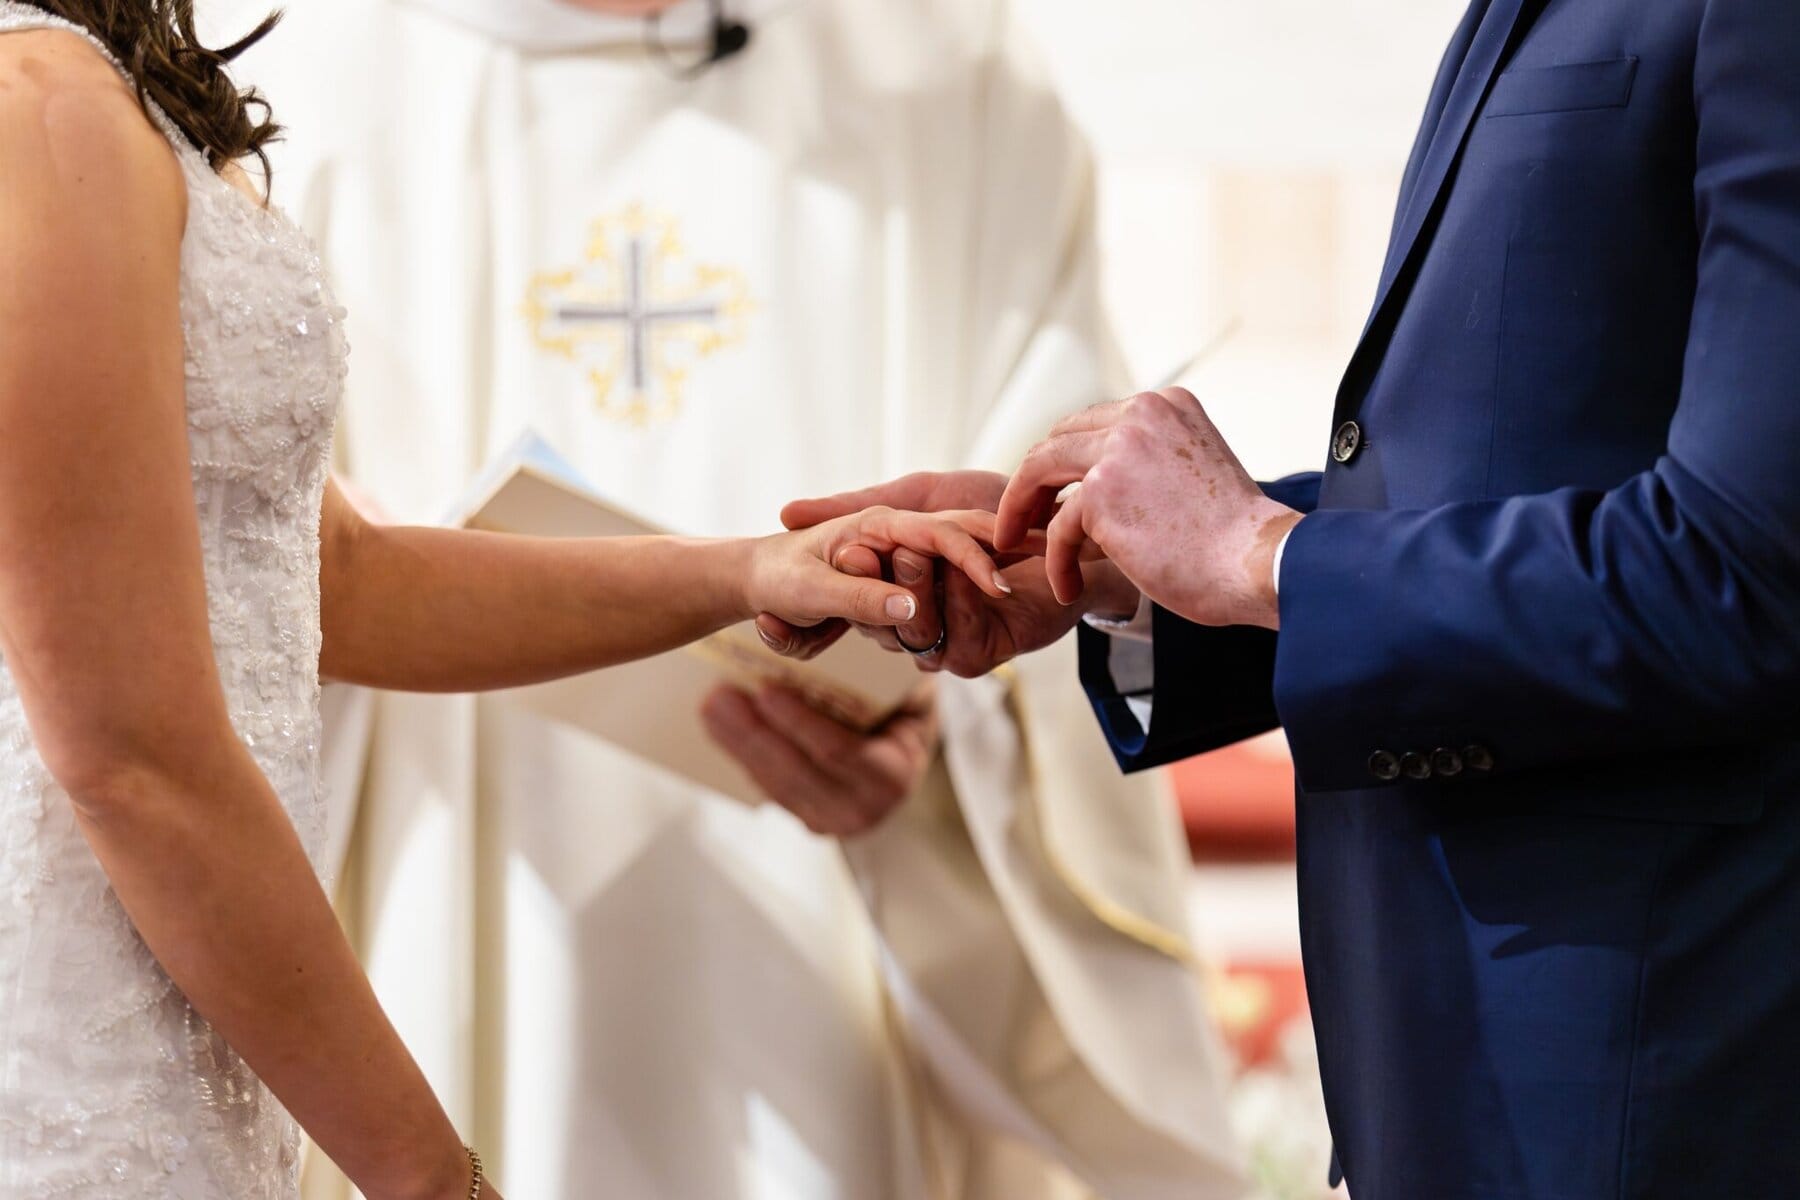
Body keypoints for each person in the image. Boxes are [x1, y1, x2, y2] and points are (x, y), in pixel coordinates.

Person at [778, 0, 1800, 1196]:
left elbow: (1746, 570)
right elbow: (1514, 473)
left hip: (1650, 1076)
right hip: (1456, 1074)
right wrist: (1125, 567)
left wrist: (1264, 555)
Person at [0, 4, 1014, 1197]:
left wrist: (750, 573)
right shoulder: (39, 107)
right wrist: (435, 1181)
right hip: (87, 1043)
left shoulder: (88, 91)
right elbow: (130, 759)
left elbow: (336, 574)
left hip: (188, 1059)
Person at [233, 1, 1241, 1198]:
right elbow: (223, 577)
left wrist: (948, 729)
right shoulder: (289, 78)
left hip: (841, 958)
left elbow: (1070, 535)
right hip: (440, 873)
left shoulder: (949, 75)